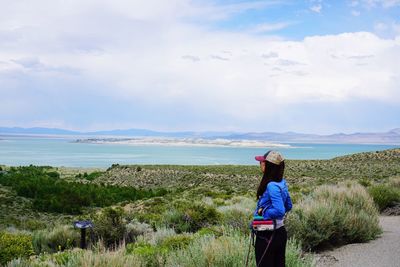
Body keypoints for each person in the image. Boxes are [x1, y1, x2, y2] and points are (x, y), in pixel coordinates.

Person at [253, 150, 292, 267]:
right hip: (280, 232)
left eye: (262, 162)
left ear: (268, 166)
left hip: (267, 234)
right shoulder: (282, 183)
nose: (260, 164)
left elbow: (280, 210)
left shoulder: (271, 186)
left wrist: (263, 212)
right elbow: (288, 206)